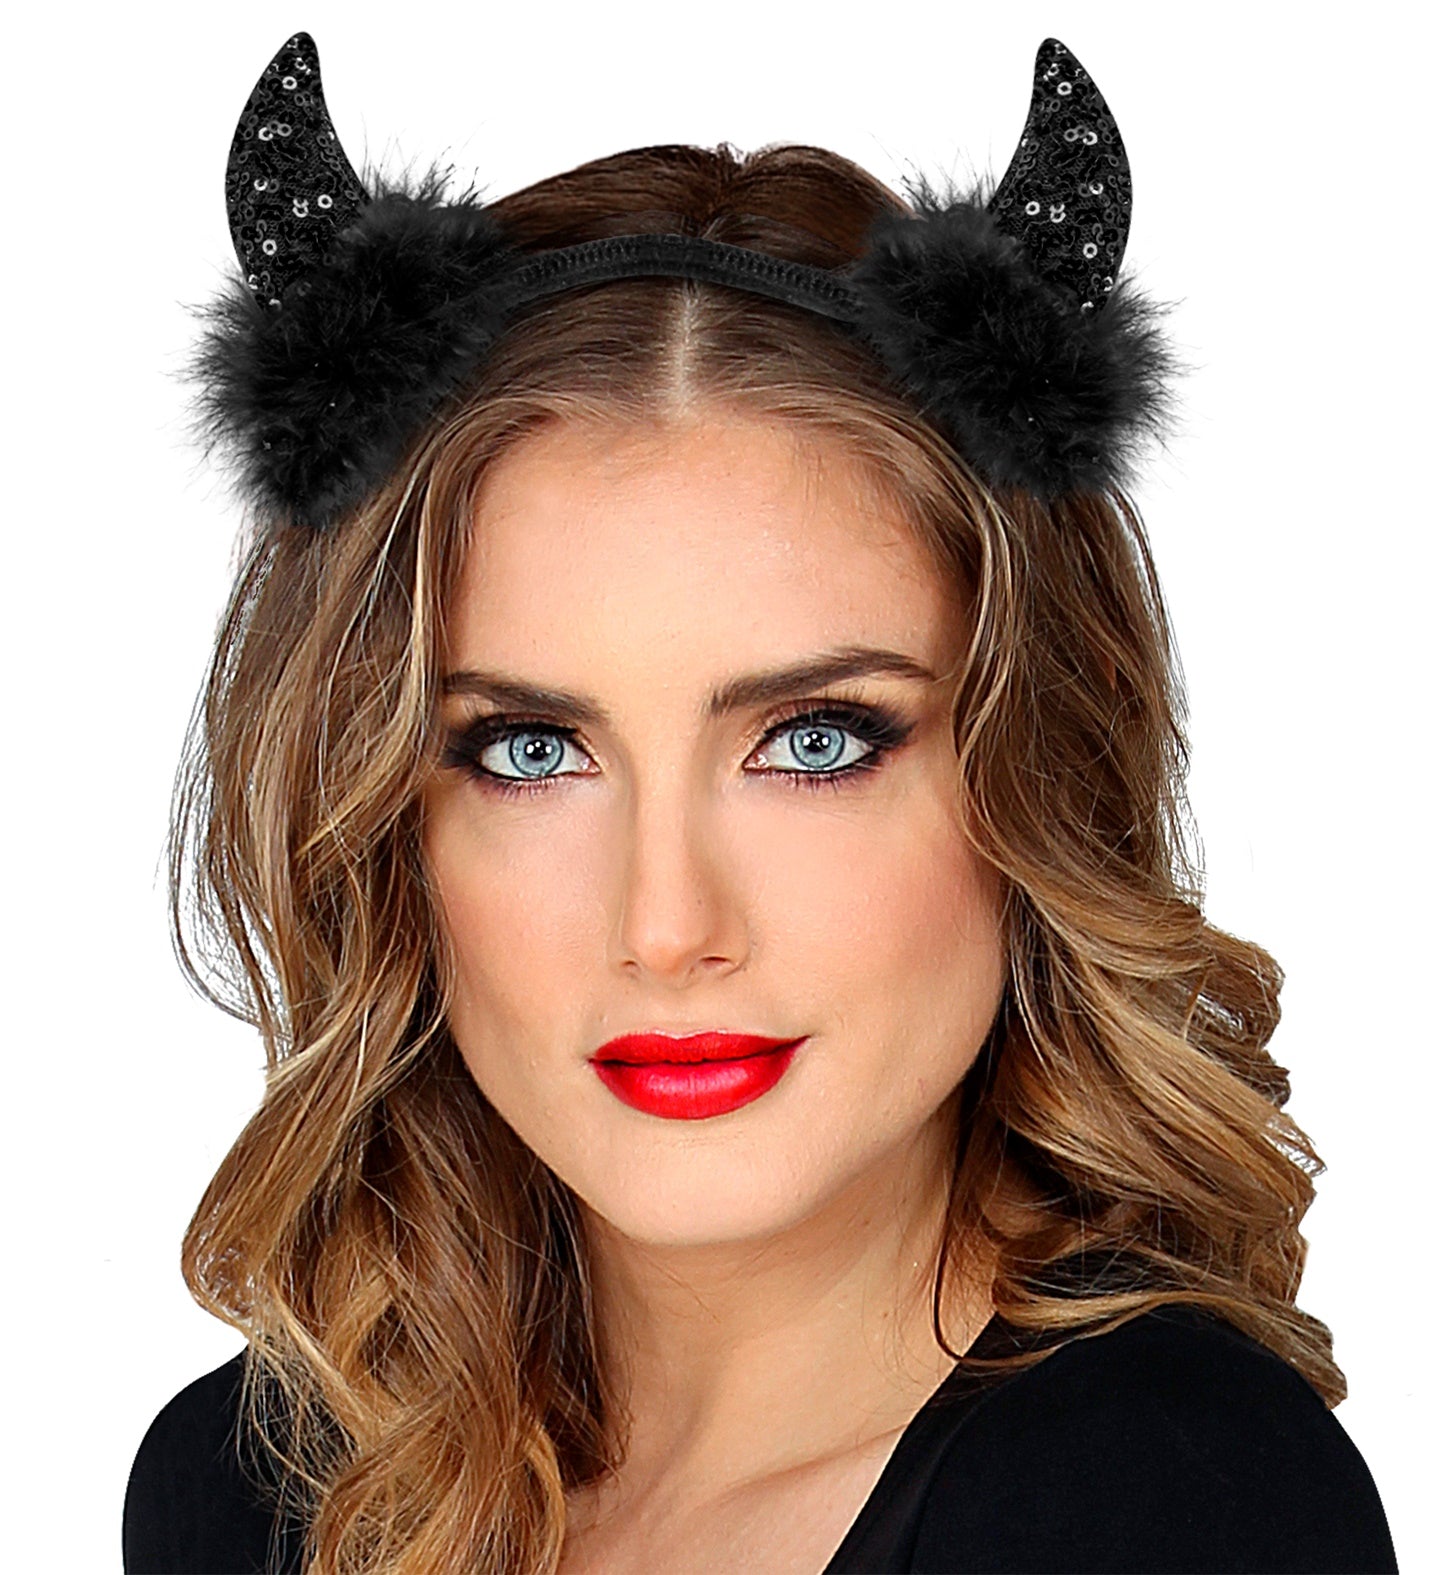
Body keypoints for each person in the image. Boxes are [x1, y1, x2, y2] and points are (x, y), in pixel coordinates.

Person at [123, 30, 1398, 1575]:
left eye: (813, 742)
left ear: (1036, 781)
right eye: (528, 751)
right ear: (384, 823)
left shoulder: (1160, 1501)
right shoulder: (249, 1489)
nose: (667, 927)